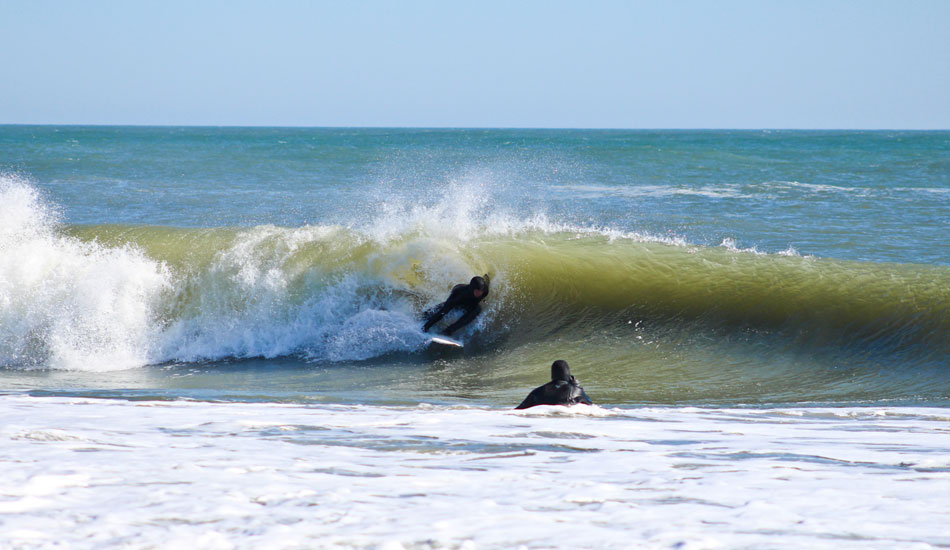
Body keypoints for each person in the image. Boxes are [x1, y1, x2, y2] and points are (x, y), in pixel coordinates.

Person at [422, 275, 489, 336]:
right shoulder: (460, 293)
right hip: (458, 297)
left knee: (477, 309)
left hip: (470, 301)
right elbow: (443, 312)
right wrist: (426, 327)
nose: (479, 293)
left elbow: (484, 283)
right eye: (477, 291)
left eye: (481, 291)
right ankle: (425, 316)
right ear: (472, 289)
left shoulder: (485, 291)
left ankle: (449, 330)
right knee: (445, 309)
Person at [515, 360, 593, 409]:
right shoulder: (576, 390)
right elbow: (590, 403)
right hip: (567, 414)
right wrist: (578, 387)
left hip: (545, 416)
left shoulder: (538, 391)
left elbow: (519, 409)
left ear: (552, 374)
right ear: (568, 374)